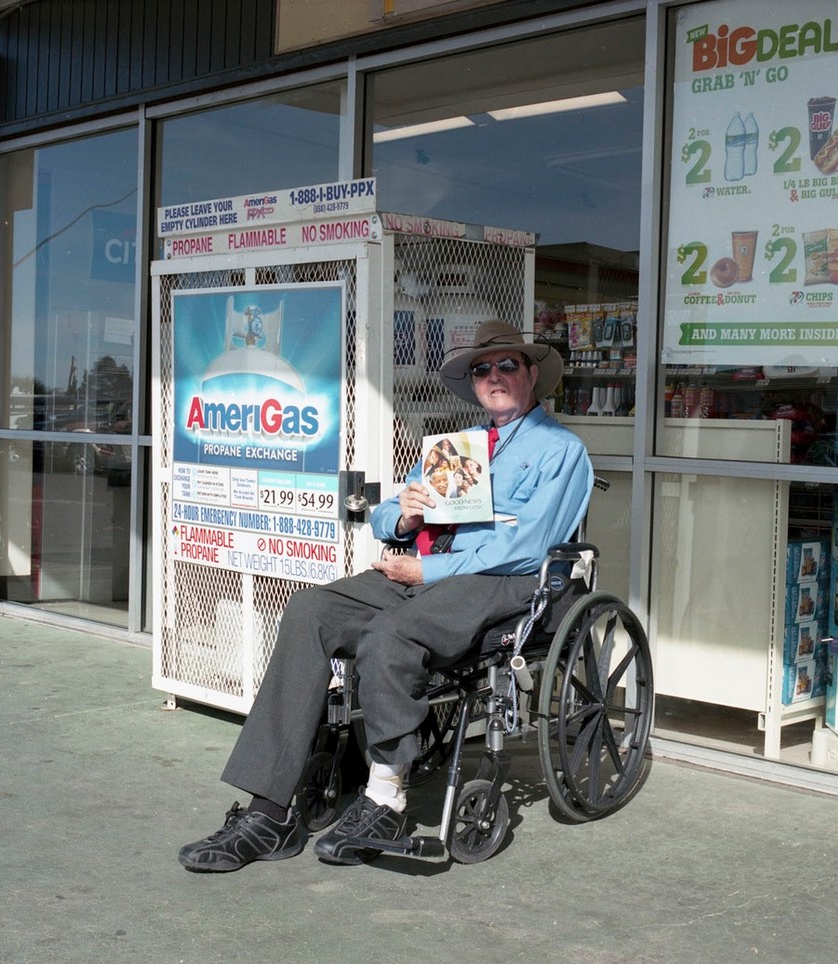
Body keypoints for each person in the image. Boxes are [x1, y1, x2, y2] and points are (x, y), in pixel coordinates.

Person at [178, 320, 593, 872]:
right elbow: (384, 516)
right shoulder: (458, 448)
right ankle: (269, 812)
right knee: (309, 611)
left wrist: (429, 570)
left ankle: (386, 796)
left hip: (501, 581)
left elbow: (531, 546)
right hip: (423, 571)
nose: (494, 376)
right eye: (482, 369)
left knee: (390, 635)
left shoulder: (560, 450)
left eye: (507, 365)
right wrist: (406, 513)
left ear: (532, 373)